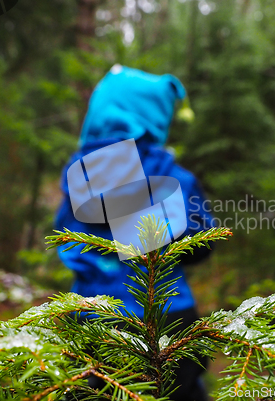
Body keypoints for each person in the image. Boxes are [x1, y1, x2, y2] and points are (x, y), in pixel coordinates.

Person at [55, 65, 214, 401]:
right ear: (155, 118)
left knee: (86, 389)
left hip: (89, 312)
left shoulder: (78, 174)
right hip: (168, 311)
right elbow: (203, 239)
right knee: (178, 390)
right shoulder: (170, 174)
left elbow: (64, 236)